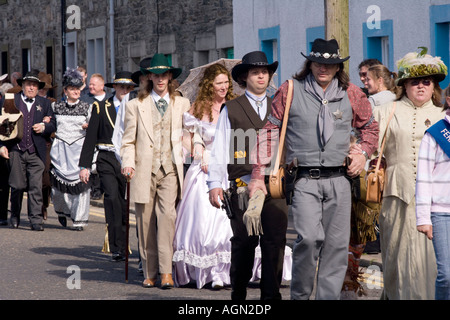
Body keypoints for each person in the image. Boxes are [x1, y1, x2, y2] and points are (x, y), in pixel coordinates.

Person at [249, 39, 379, 300]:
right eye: (319, 63)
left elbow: (371, 129)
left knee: (336, 247)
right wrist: (257, 175)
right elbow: (269, 132)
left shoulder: (352, 92)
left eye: (330, 64)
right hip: (304, 179)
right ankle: (300, 296)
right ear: (309, 63)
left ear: (338, 67)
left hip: (341, 180)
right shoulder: (290, 89)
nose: (324, 68)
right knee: (308, 239)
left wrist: (362, 153)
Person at [207, 51, 289, 300]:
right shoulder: (230, 109)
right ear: (244, 77)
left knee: (274, 242)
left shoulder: (281, 105)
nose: (261, 75)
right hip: (243, 186)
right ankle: (239, 294)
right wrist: (214, 183)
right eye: (255, 72)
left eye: (265, 71)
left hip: (275, 185)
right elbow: (220, 148)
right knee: (244, 243)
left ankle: (270, 297)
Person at [373, 48, 447, 300]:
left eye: (427, 81)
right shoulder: (387, 111)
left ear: (434, 85)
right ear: (404, 85)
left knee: (433, 262)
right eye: (414, 81)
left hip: (436, 201)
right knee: (399, 259)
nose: (421, 86)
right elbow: (370, 149)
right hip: (397, 198)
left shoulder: (443, 116)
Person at [120, 54, 190, 288]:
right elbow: (128, 141)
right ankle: (149, 271)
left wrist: (196, 146)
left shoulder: (182, 103)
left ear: (170, 77)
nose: (160, 79)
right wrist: (127, 162)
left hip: (170, 168)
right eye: (156, 75)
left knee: (167, 218)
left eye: (164, 75)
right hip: (143, 170)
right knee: (145, 222)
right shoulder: (134, 105)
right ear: (149, 77)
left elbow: (191, 133)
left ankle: (166, 272)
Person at [172, 63, 237, 289]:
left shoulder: (235, 105)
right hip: (205, 169)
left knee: (230, 222)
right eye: (219, 82)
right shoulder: (198, 108)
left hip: (230, 168)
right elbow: (189, 138)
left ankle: (228, 271)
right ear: (210, 85)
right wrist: (200, 154)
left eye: (226, 82)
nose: (224, 86)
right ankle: (205, 271)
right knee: (203, 218)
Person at [79, 71, 137, 260]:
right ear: (114, 88)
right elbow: (91, 137)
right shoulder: (101, 107)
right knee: (111, 198)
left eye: (128, 87)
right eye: (121, 87)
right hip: (107, 158)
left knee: (124, 202)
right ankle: (117, 247)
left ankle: (126, 243)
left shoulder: (136, 108)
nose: (124, 90)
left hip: (129, 161)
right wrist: (85, 166)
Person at [0, 70, 56, 231]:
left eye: (34, 85)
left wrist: (44, 127)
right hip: (16, 149)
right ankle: (15, 215)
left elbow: (53, 125)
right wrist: (1, 146)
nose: (31, 88)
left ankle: (36, 219)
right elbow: (0, 125)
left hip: (36, 151)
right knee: (17, 186)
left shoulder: (45, 104)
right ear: (22, 85)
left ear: (38, 88)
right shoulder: (10, 100)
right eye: (28, 84)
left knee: (36, 187)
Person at [416, 84, 450, 300]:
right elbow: (424, 177)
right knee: (447, 275)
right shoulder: (436, 134)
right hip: (441, 212)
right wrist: (423, 217)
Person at [50, 68, 91, 231]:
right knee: (59, 189)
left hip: (79, 151)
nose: (76, 92)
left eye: (78, 89)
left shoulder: (87, 108)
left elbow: (93, 131)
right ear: (65, 90)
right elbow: (51, 125)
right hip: (61, 151)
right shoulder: (55, 106)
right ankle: (63, 211)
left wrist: (89, 127)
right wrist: (47, 121)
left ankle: (79, 219)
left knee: (81, 187)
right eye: (72, 89)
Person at [80, 73, 107, 200]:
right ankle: (93, 189)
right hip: (89, 138)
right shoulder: (84, 100)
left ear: (102, 86)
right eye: (89, 84)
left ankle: (100, 189)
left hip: (105, 139)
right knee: (91, 163)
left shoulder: (110, 100)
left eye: (93, 84)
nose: (90, 87)